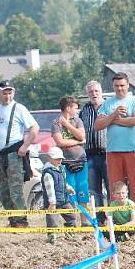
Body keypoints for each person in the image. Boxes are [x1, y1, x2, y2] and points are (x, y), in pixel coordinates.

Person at [0, 80, 39, 228]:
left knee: (15, 189)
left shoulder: (19, 108)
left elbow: (35, 128)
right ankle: (12, 220)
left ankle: (21, 222)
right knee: (3, 190)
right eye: (4, 92)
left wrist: (24, 146)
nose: (7, 95)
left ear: (14, 93)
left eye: (10, 92)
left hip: (13, 154)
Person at [94, 72, 135, 207]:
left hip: (133, 150)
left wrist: (113, 120)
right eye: (116, 85)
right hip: (113, 151)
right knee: (115, 188)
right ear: (113, 86)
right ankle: (117, 219)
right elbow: (98, 125)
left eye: (122, 85)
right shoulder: (107, 104)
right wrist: (114, 114)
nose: (119, 88)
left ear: (128, 85)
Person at [51, 95, 90, 223]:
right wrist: (78, 142)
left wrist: (67, 124)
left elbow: (82, 135)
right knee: (70, 193)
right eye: (75, 108)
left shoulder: (77, 121)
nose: (77, 110)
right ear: (68, 108)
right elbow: (60, 142)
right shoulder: (55, 123)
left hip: (81, 161)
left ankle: (84, 222)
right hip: (65, 163)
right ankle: (72, 222)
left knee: (83, 192)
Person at [79, 80, 109, 214]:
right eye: (91, 92)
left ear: (101, 92)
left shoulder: (109, 105)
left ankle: (113, 216)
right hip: (90, 154)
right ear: (87, 94)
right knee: (94, 189)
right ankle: (100, 218)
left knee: (111, 187)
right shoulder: (84, 109)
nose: (94, 94)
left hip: (108, 153)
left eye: (96, 91)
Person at [41, 146, 77, 244]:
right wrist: (52, 202)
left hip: (64, 200)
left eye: (60, 158)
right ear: (49, 158)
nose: (59, 160)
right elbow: (50, 189)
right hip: (52, 203)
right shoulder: (48, 173)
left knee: (72, 216)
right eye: (56, 158)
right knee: (52, 221)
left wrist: (68, 188)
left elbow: (63, 182)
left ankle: (70, 234)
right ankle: (52, 238)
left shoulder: (61, 169)